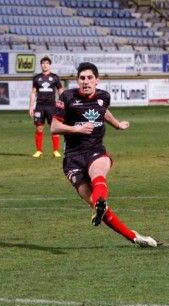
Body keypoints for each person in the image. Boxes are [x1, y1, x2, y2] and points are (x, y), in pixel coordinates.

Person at [50, 62, 160, 247]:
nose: (86, 82)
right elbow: (54, 127)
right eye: (82, 78)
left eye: (89, 78)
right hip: (72, 158)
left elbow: (103, 111)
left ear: (97, 80)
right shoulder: (67, 97)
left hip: (95, 151)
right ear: (77, 81)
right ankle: (133, 236)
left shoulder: (104, 97)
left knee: (98, 175)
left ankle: (101, 204)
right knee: (95, 203)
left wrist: (117, 124)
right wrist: (76, 129)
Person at [29, 55, 64, 158]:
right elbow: (33, 93)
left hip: (52, 106)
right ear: (41, 65)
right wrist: (31, 107)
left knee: (54, 128)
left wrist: (63, 103)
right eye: (43, 63)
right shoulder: (36, 78)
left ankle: (56, 151)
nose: (45, 65)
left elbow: (60, 91)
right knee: (39, 128)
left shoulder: (55, 77)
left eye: (47, 63)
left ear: (50, 65)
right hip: (40, 106)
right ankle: (39, 151)